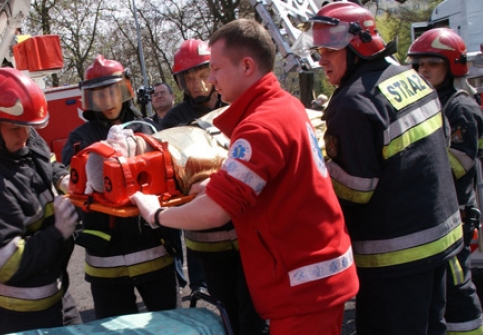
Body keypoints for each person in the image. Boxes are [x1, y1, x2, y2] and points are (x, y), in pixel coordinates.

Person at [130, 19, 359, 334]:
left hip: (303, 288)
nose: (210, 79)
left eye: (216, 69)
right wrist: (220, 182)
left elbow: (215, 212)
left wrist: (156, 213)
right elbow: (277, 178)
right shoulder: (284, 106)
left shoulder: (258, 126)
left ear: (247, 66)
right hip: (316, 280)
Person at [310, 3, 463, 333]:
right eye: (319, 49)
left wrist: (317, 167)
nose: (321, 59)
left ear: (357, 45)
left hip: (396, 257)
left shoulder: (352, 102)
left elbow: (355, 190)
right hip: (441, 239)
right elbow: (442, 139)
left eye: (329, 50)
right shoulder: (411, 78)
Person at [0, 68, 82, 333]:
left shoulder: (20, 134)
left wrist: (63, 179)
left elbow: (45, 161)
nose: (25, 136)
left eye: (29, 128)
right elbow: (5, 263)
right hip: (21, 312)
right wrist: (58, 233)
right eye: (16, 128)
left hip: (55, 292)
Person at [61, 55, 179, 319]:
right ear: (90, 99)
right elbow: (70, 175)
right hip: (105, 259)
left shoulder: (147, 128)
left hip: (152, 248)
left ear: (124, 91)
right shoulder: (80, 138)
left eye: (113, 93)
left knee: (170, 326)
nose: (108, 102)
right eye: (101, 96)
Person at [162, 38, 266, 335]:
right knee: (227, 309)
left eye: (200, 73)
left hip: (247, 229)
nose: (195, 84)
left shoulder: (236, 103)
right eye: (187, 78)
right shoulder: (174, 122)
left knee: (256, 308)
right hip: (208, 238)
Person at [407, 28, 483, 335]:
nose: (424, 70)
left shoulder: (459, 107)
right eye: (419, 64)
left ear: (452, 66)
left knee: (457, 288)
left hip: (457, 213)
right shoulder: (430, 102)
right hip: (439, 212)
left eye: (432, 64)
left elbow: (457, 164)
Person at [161, 39, 225, 129]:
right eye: (190, 79)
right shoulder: (174, 118)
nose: (197, 85)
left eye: (203, 76)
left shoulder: (232, 104)